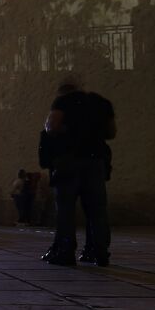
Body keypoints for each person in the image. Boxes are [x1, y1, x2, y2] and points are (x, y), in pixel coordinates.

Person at [40, 78, 116, 266]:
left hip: (68, 160)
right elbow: (111, 132)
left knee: (66, 209)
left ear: (62, 90)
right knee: (97, 209)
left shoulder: (63, 102)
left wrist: (67, 132)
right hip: (95, 160)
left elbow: (51, 127)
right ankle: (99, 251)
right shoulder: (101, 103)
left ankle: (65, 251)